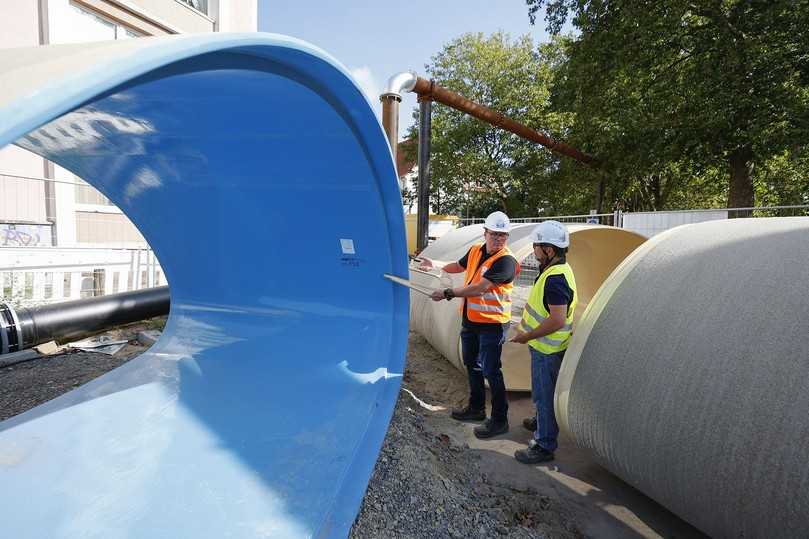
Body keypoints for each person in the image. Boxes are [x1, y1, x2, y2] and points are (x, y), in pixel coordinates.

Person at [419, 211, 518, 439]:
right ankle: (476, 409)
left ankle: (500, 420)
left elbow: (481, 288)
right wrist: (434, 263)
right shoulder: (476, 250)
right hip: (471, 320)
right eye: (495, 234)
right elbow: (458, 265)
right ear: (485, 233)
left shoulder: (506, 261)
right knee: (472, 364)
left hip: (492, 325)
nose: (499, 239)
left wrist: (448, 293)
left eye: (503, 235)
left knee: (492, 371)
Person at [510, 220, 577, 463]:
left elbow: (557, 319)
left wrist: (526, 336)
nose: (533, 250)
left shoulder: (555, 279)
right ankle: (541, 422)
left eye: (536, 245)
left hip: (548, 349)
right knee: (540, 391)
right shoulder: (553, 270)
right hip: (545, 347)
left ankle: (544, 444)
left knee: (544, 396)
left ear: (549, 250)